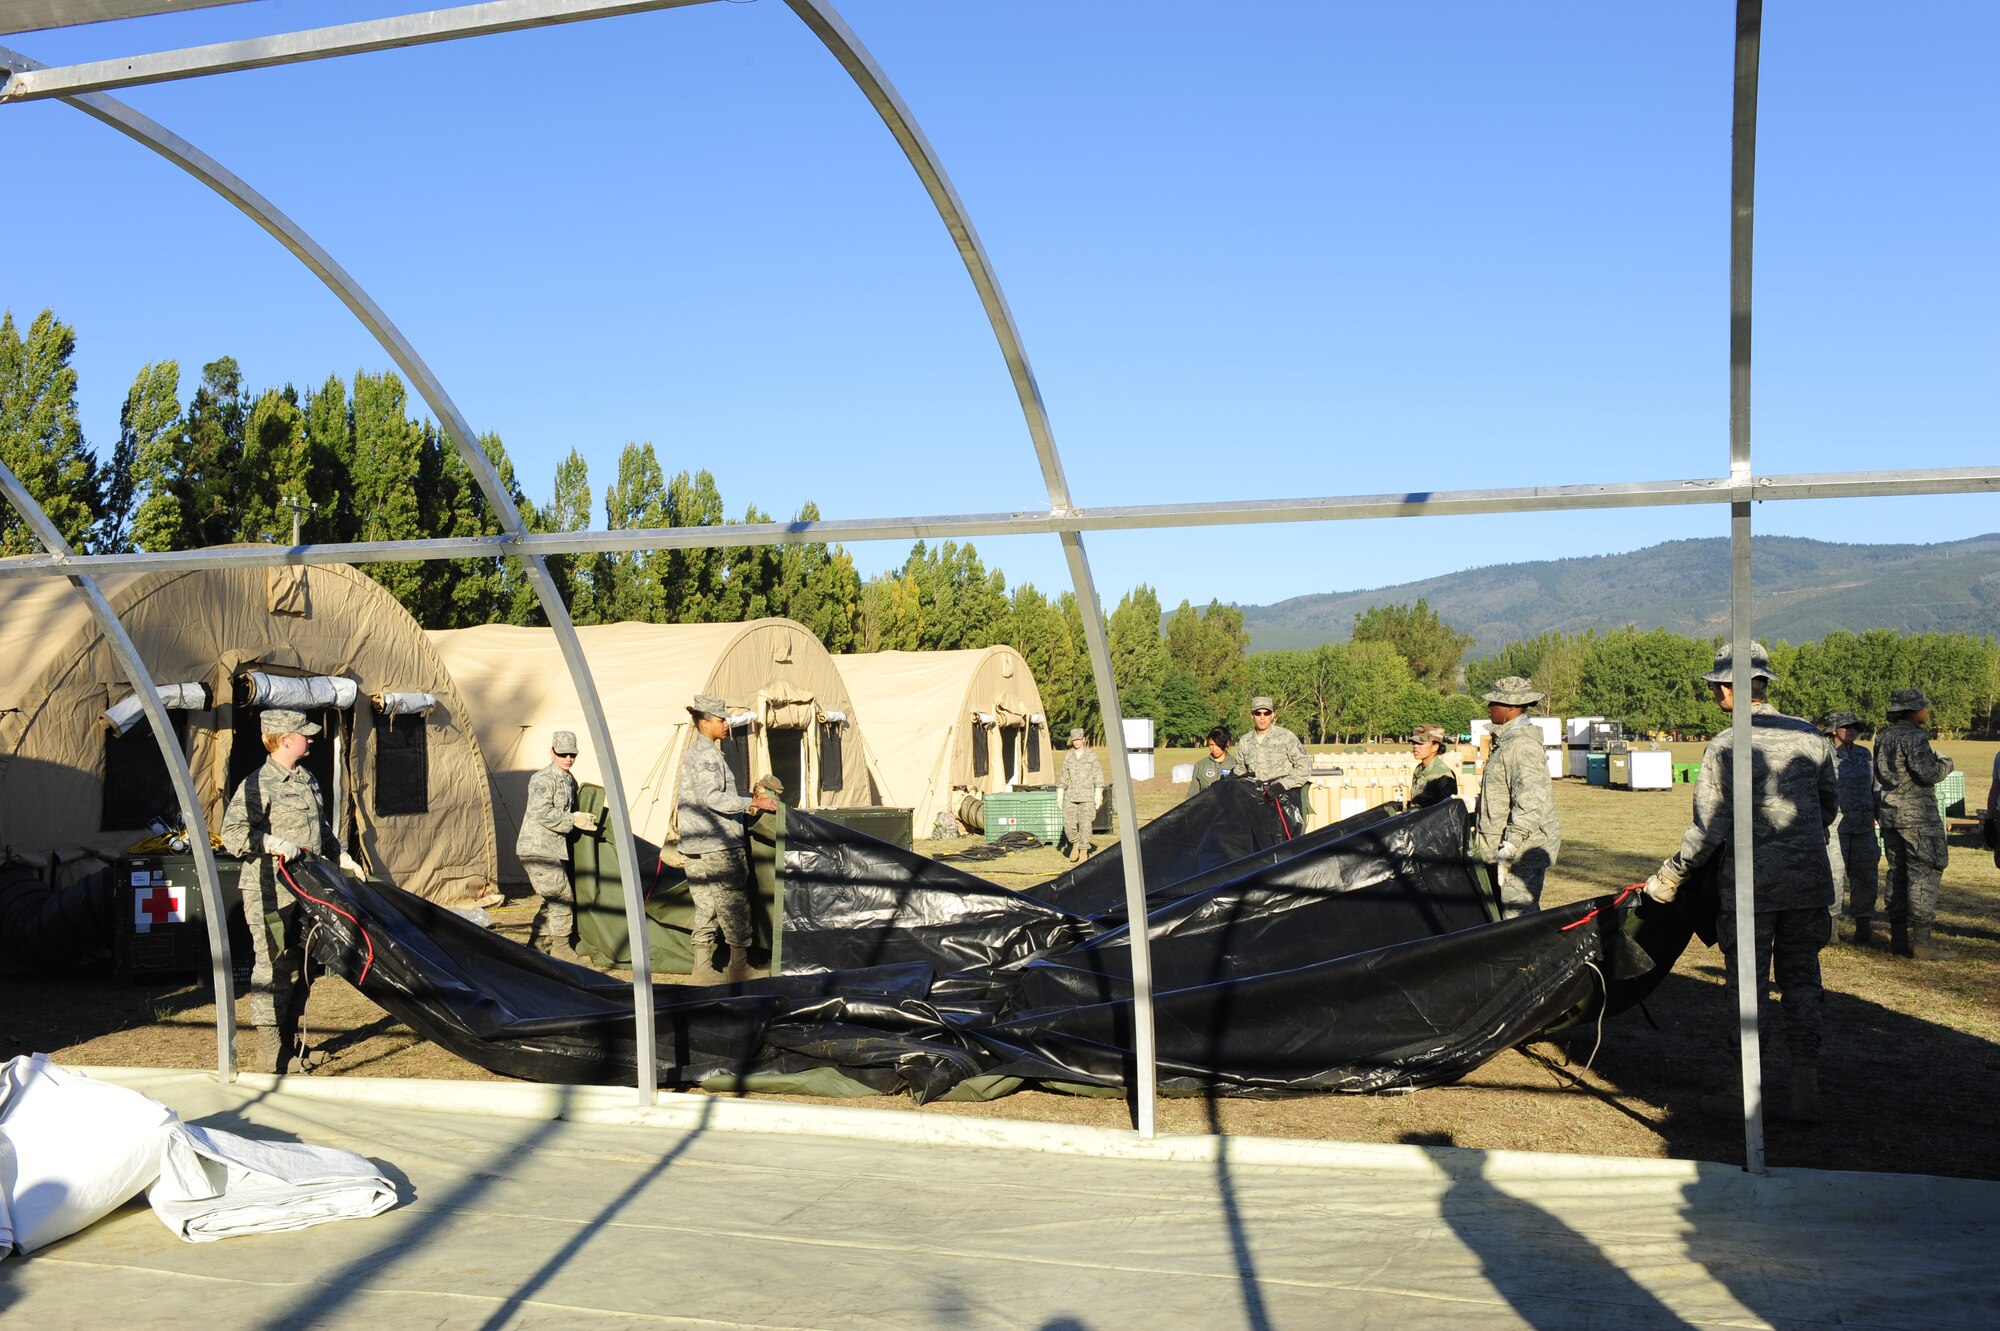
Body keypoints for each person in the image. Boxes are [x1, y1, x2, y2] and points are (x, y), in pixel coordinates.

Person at [1641, 643, 1837, 1122]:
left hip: (1752, 888)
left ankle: (1742, 1091)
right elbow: (1829, 806)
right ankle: (1805, 1088)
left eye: (1714, 687)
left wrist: (1671, 876)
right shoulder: (1812, 738)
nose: (1713, 695)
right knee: (1802, 981)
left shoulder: (1727, 744)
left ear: (1728, 688)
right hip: (1807, 883)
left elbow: (1709, 828)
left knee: (1746, 989)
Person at [220, 707, 364, 1074]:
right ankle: (270, 1053)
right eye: (304, 734)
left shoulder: (306, 778)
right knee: (272, 968)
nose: (311, 738)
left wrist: (342, 856)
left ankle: (290, 1043)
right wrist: (269, 841)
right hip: (271, 892)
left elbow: (322, 831)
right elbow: (233, 834)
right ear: (285, 740)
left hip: (308, 890)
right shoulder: (256, 785)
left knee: (303, 967)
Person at [678, 694, 778, 982]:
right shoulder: (708, 756)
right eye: (721, 720)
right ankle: (738, 967)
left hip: (695, 844)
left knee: (706, 906)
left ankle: (702, 969)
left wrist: (747, 797)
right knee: (733, 903)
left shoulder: (696, 753)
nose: (727, 724)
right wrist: (753, 804)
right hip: (718, 843)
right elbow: (712, 798)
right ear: (705, 722)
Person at [1875, 688, 1955, 961]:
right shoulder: (1915, 737)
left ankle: (1898, 938)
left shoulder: (1883, 736)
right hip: (1917, 817)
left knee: (1897, 874)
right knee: (1924, 872)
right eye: (1924, 707)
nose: (1927, 712)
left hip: (1890, 815)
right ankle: (1921, 942)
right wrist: (1946, 764)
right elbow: (1928, 773)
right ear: (1912, 711)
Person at [1471, 677, 1559, 917]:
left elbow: (1531, 801)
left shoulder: (1522, 747)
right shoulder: (1508, 743)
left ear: (1511, 707)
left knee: (1518, 921)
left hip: (1520, 853)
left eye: (1494, 703)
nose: (1489, 708)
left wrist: (1511, 844)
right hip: (1508, 849)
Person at [516, 730, 596, 963]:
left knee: (553, 896)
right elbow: (541, 812)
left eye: (572, 754)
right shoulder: (543, 779)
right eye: (563, 754)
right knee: (562, 896)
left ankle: (535, 945)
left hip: (554, 848)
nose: (568, 758)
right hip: (538, 848)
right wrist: (573, 819)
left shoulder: (569, 779)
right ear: (552, 752)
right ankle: (562, 950)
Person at [1824, 710, 1882, 944]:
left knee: (1866, 875)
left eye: (1856, 726)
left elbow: (1875, 787)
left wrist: (1878, 814)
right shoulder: (1823, 753)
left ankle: (1863, 927)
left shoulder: (1864, 754)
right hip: (1834, 825)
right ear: (1833, 728)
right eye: (1847, 726)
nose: (1853, 730)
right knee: (1834, 876)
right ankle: (1831, 930)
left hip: (1863, 825)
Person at [1236, 695, 1310, 832]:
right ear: (1252, 716)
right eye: (1258, 713)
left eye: (1266, 713)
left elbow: (1304, 766)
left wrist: (1283, 785)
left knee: (1285, 847)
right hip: (1255, 804)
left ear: (1273, 715)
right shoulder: (1244, 741)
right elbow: (1240, 771)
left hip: (1284, 803)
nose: (1262, 717)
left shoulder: (1286, 737)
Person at [1058, 727, 1105, 863]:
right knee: (1068, 823)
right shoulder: (1068, 756)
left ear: (1084, 739)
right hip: (1072, 795)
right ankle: (1075, 843)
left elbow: (1097, 774)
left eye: (1079, 739)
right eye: (1074, 740)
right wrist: (1060, 791)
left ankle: (1084, 850)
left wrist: (1099, 792)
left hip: (1087, 796)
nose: (1076, 742)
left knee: (1085, 824)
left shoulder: (1091, 755)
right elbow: (1064, 775)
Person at [1407, 723, 1458, 808]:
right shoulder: (1419, 769)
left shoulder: (1442, 774)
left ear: (1435, 747)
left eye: (1421, 743)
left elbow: (1447, 808)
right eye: (1414, 743)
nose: (1415, 746)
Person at [1186, 725, 1234, 798]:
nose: (1214, 748)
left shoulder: (1236, 764)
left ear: (1227, 743)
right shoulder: (1200, 765)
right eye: (1211, 745)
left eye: (1218, 744)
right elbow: (1192, 796)